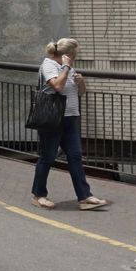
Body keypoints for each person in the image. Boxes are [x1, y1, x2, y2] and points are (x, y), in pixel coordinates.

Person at [31, 37, 108, 210]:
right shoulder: (49, 65)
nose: (75, 57)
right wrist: (65, 67)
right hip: (53, 119)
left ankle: (84, 196)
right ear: (67, 54)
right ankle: (39, 195)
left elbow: (80, 92)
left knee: (75, 156)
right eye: (74, 54)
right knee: (48, 157)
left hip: (71, 117)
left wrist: (81, 82)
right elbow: (57, 86)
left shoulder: (69, 67)